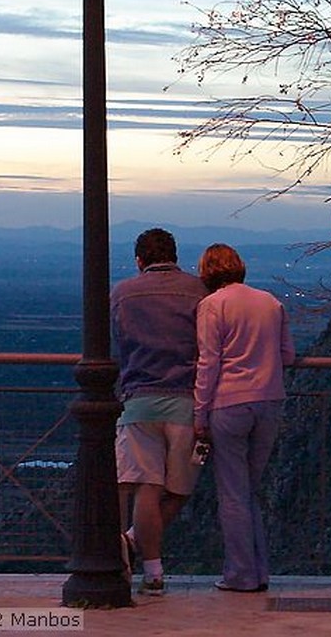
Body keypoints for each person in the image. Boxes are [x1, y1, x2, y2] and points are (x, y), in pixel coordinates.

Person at [194, 243, 296, 592]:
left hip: (229, 404)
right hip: (269, 400)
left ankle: (241, 573)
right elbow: (287, 354)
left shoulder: (212, 306)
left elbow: (209, 363)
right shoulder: (271, 302)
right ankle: (259, 571)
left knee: (233, 494)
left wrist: (200, 412)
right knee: (249, 490)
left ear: (207, 272)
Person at [110, 227, 206, 595]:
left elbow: (118, 343)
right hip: (186, 400)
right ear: (175, 255)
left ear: (139, 261)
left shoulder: (122, 294)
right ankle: (136, 546)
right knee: (179, 489)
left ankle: (151, 570)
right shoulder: (198, 291)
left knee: (146, 489)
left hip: (138, 400)